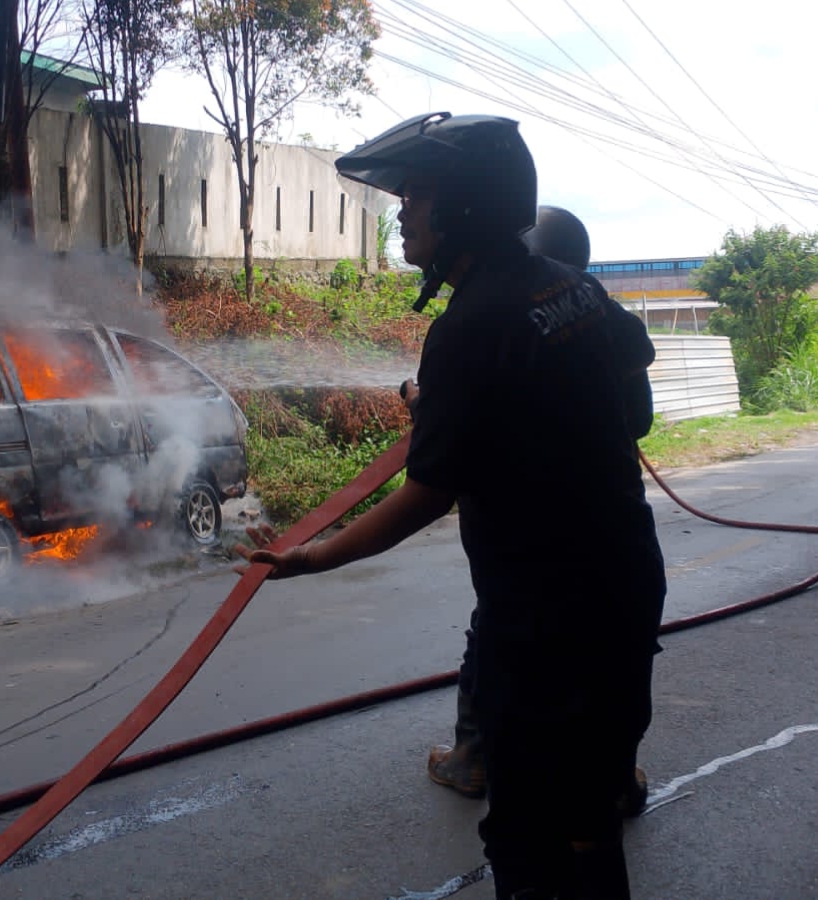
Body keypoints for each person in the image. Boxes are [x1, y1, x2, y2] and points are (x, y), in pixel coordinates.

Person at [237, 112, 666, 900]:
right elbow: (625, 408)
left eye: (419, 195)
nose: (403, 211)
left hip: (542, 624)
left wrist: (315, 554)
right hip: (627, 589)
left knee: (527, 832)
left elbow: (428, 493)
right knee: (589, 817)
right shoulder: (574, 287)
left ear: (464, 205)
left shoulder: (470, 324)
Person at [417, 203, 647, 820]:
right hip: (617, 540)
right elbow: (639, 410)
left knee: (494, 639)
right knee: (614, 656)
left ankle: (474, 757)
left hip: (530, 553)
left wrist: (316, 555)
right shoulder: (587, 301)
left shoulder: (481, 318)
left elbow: (441, 476)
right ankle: (616, 778)